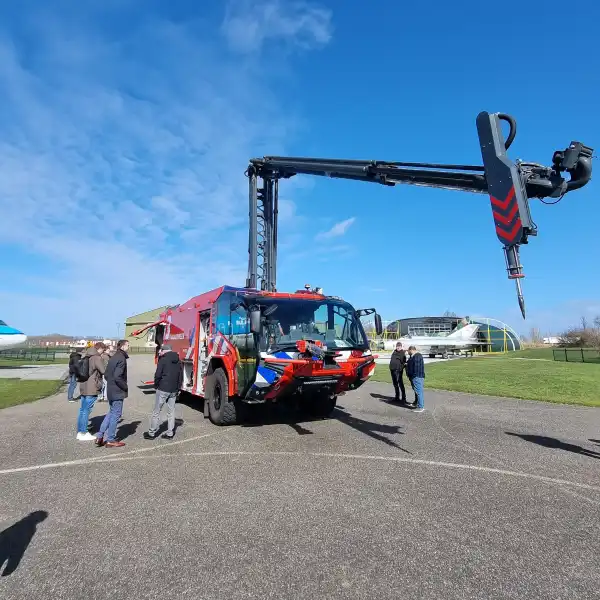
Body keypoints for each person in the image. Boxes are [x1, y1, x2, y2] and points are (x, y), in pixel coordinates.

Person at [144, 344, 183, 440]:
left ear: (164, 351)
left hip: (163, 388)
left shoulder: (163, 360)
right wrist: (178, 388)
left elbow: (158, 375)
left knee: (157, 411)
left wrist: (156, 385)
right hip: (174, 389)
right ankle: (170, 433)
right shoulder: (178, 360)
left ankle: (151, 433)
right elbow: (180, 376)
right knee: (171, 412)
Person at [96, 339, 130, 448]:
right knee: (116, 414)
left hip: (111, 389)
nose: (128, 347)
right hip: (117, 390)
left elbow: (106, 375)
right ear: (123, 346)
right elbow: (117, 376)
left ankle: (100, 435)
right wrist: (125, 386)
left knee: (111, 413)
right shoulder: (121, 358)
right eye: (128, 345)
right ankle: (110, 439)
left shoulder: (113, 357)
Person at [76, 342, 107, 440]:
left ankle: (80, 431)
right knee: (86, 410)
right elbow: (103, 371)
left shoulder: (86, 356)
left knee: (82, 410)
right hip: (92, 386)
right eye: (103, 350)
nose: (103, 352)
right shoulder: (96, 358)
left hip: (84, 385)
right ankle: (84, 432)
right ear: (100, 349)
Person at [406, 345, 425, 412]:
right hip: (416, 376)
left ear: (411, 350)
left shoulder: (417, 356)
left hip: (417, 377)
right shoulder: (413, 356)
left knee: (419, 392)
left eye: (408, 351)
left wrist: (412, 376)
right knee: (417, 391)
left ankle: (421, 407)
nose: (407, 352)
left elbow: (416, 368)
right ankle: (416, 403)